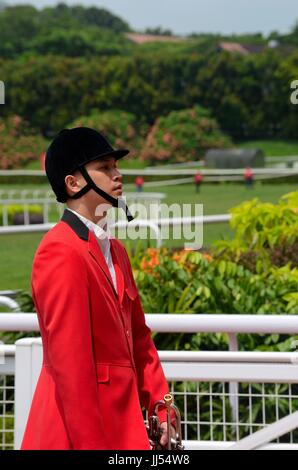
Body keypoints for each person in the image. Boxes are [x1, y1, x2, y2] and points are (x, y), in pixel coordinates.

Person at [21, 127, 175, 450]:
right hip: (76, 437)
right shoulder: (59, 251)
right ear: (73, 183)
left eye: (115, 167)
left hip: (124, 432)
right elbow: (72, 372)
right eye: (104, 168)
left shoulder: (117, 251)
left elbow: (141, 341)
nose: (117, 175)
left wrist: (162, 408)